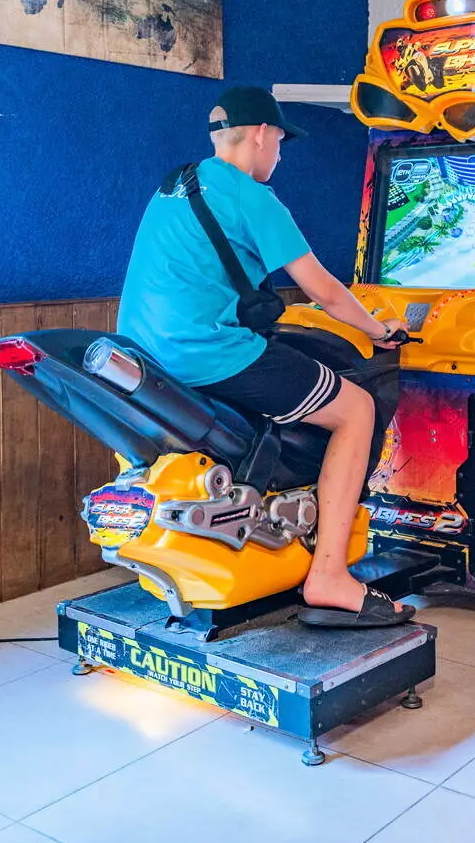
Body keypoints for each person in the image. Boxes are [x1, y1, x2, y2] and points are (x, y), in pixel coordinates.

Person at [116, 85, 414, 628]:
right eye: (280, 140)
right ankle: (329, 575)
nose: (279, 152)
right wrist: (380, 329)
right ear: (260, 134)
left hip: (147, 357)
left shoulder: (174, 185)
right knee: (356, 408)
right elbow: (325, 291)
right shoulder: (254, 198)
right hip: (209, 354)